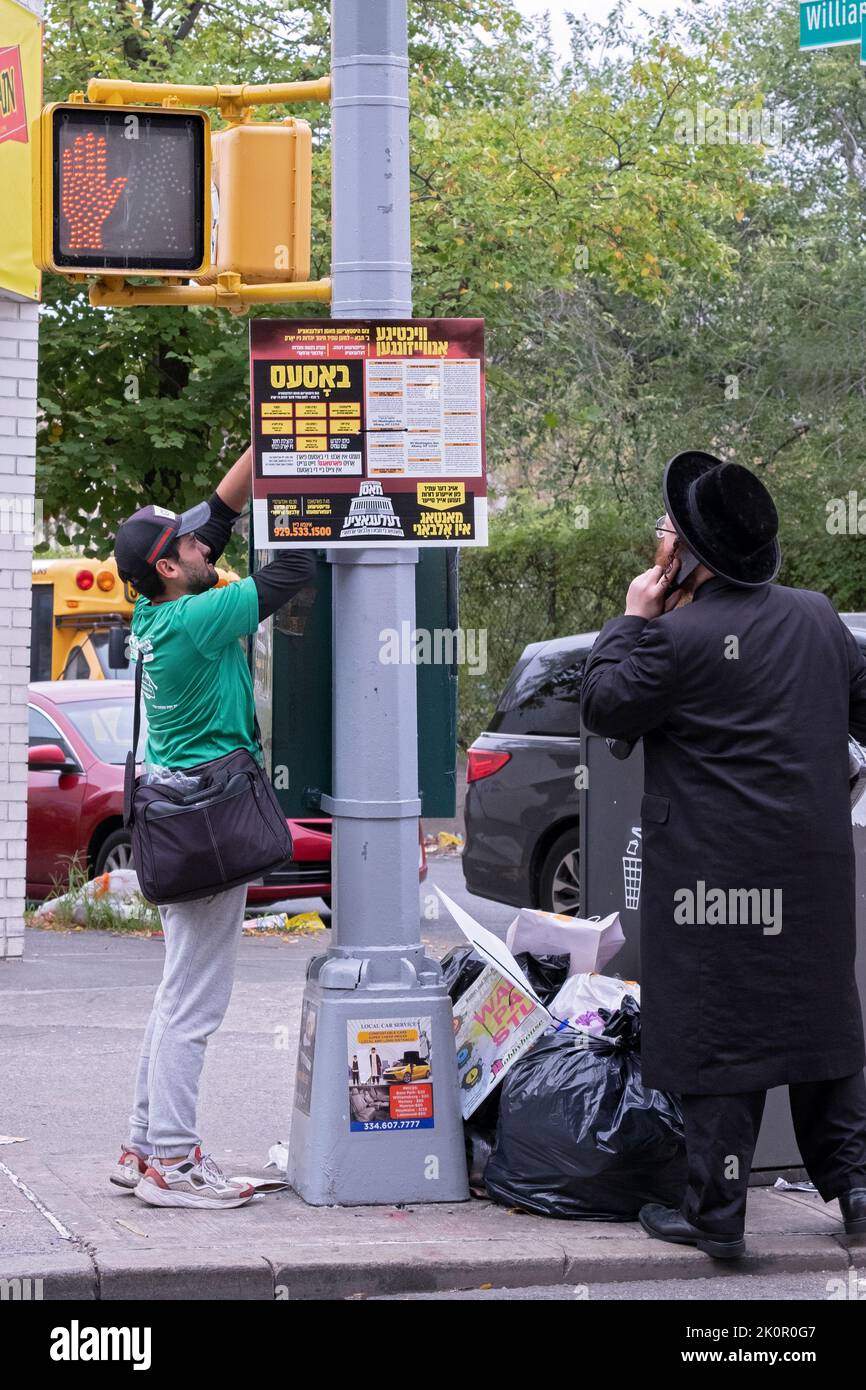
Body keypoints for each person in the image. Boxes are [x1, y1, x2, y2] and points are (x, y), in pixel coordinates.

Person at [580, 450, 866, 1259]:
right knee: (820, 1027)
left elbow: (605, 708)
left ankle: (715, 1214)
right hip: (810, 873)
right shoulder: (818, 618)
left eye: (666, 527)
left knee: (718, 1035)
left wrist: (632, 618)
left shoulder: (672, 640)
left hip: (710, 881)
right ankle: (859, 1192)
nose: (656, 534)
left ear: (688, 557)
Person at [108, 445, 317, 1209]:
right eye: (189, 545)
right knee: (196, 1002)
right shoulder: (199, 617)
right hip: (207, 818)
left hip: (172, 812)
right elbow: (291, 576)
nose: (205, 545)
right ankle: (171, 1162)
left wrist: (275, 435)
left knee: (174, 992)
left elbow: (220, 514)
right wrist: (314, 486)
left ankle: (141, 1143)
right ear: (170, 568)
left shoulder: (154, 608)